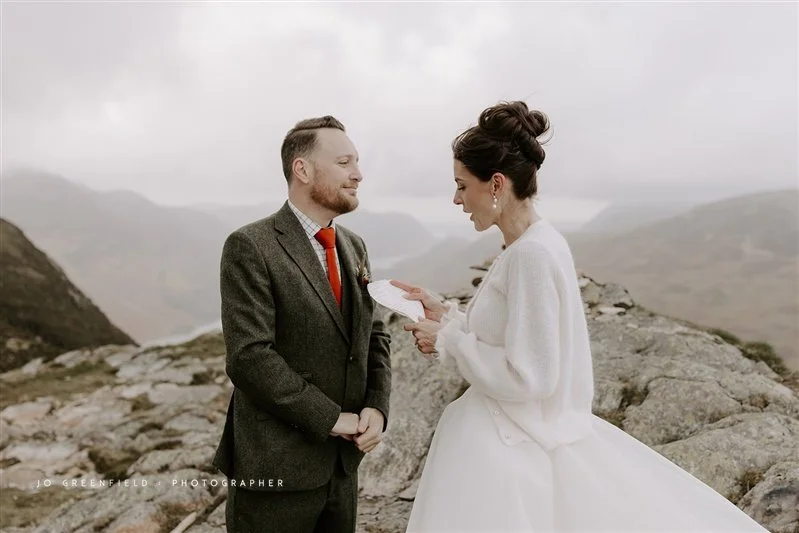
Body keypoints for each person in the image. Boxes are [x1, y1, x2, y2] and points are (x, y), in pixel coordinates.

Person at [394, 101, 768, 532]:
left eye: (462, 185)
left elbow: (530, 376)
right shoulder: (532, 244)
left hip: (510, 451)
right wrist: (448, 317)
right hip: (508, 435)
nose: (456, 198)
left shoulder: (531, 255)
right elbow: (511, 334)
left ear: (496, 183)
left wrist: (448, 341)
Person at [213, 115, 392, 533]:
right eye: (345, 162)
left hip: (342, 470)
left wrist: (376, 409)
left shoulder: (354, 245)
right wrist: (331, 417)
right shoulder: (250, 246)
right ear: (303, 169)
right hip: (276, 470)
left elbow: (375, 334)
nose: (358, 175)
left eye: (358, 163)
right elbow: (249, 357)